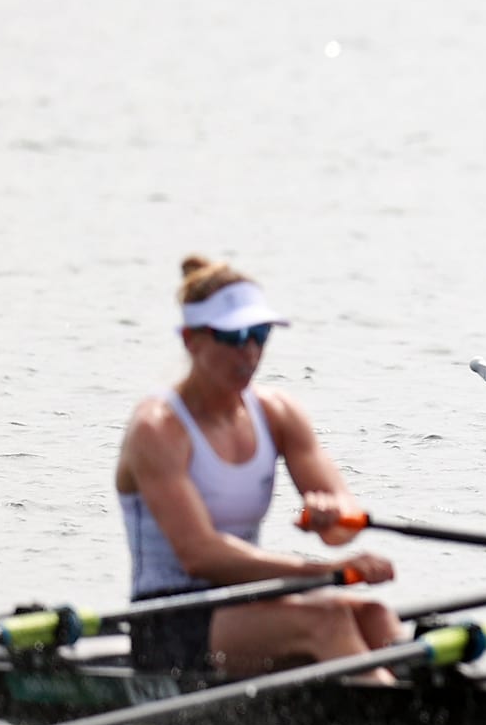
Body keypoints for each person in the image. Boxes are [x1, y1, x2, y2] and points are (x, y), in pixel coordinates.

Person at [114, 257, 398, 677]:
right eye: (235, 337)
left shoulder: (277, 413)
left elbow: (343, 529)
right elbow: (200, 555)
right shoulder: (158, 429)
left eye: (260, 335)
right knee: (328, 619)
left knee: (370, 613)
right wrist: (324, 572)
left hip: (246, 603)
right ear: (192, 340)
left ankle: (427, 710)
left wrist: (332, 517)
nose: (249, 352)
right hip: (171, 620)